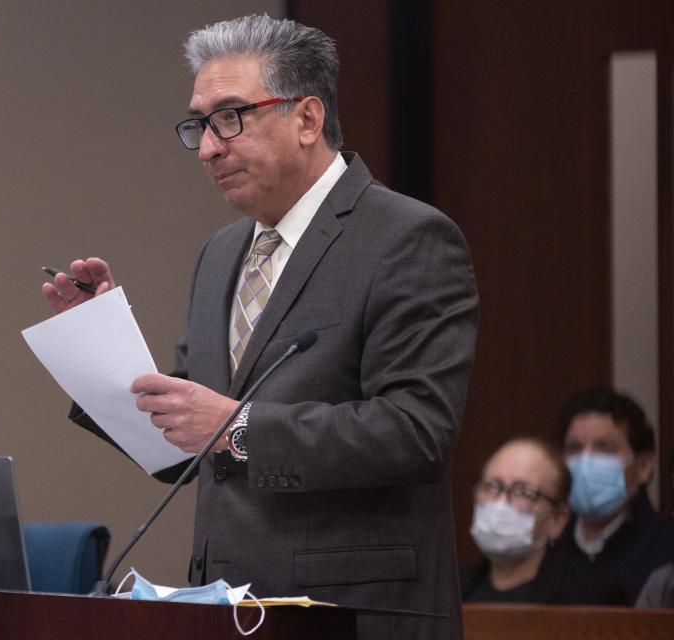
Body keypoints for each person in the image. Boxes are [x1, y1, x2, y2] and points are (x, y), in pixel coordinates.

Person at [42, 15, 478, 638]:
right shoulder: (221, 254)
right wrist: (100, 347)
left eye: (230, 117)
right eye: (199, 125)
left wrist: (236, 426)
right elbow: (189, 447)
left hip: (353, 613)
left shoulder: (407, 238)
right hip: (228, 609)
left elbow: (416, 431)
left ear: (307, 118)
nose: (211, 147)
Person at [460, 438, 625, 604]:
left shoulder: (591, 595)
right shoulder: (453, 587)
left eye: (523, 491)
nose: (501, 502)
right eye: (492, 486)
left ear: (558, 519)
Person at [558, 387, 674, 604]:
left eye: (604, 448)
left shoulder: (667, 549)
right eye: (574, 448)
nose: (586, 461)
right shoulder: (545, 549)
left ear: (643, 466)